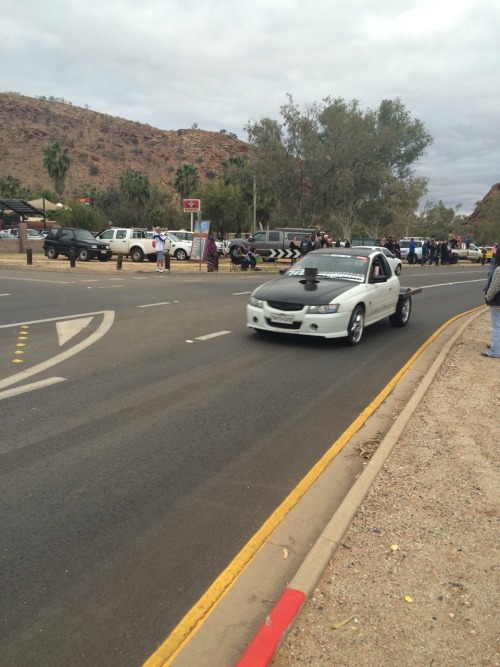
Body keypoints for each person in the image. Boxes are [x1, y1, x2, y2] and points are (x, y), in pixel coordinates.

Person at [482, 246, 500, 358]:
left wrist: (488, 297)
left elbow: (494, 287)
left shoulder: (498, 270)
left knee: (496, 326)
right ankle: (496, 345)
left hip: (497, 302)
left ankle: (495, 351)